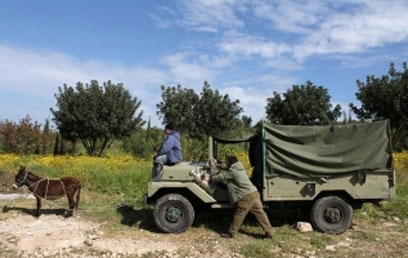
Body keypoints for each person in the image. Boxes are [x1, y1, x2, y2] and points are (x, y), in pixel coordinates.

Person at [208, 155, 273, 238]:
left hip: (245, 196)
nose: (225, 163)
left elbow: (217, 178)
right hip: (254, 193)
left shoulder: (233, 172)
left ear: (230, 163)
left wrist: (212, 168)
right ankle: (269, 233)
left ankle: (231, 233)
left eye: (226, 161)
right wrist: (218, 164)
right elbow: (227, 167)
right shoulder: (238, 166)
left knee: (239, 214)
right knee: (260, 214)